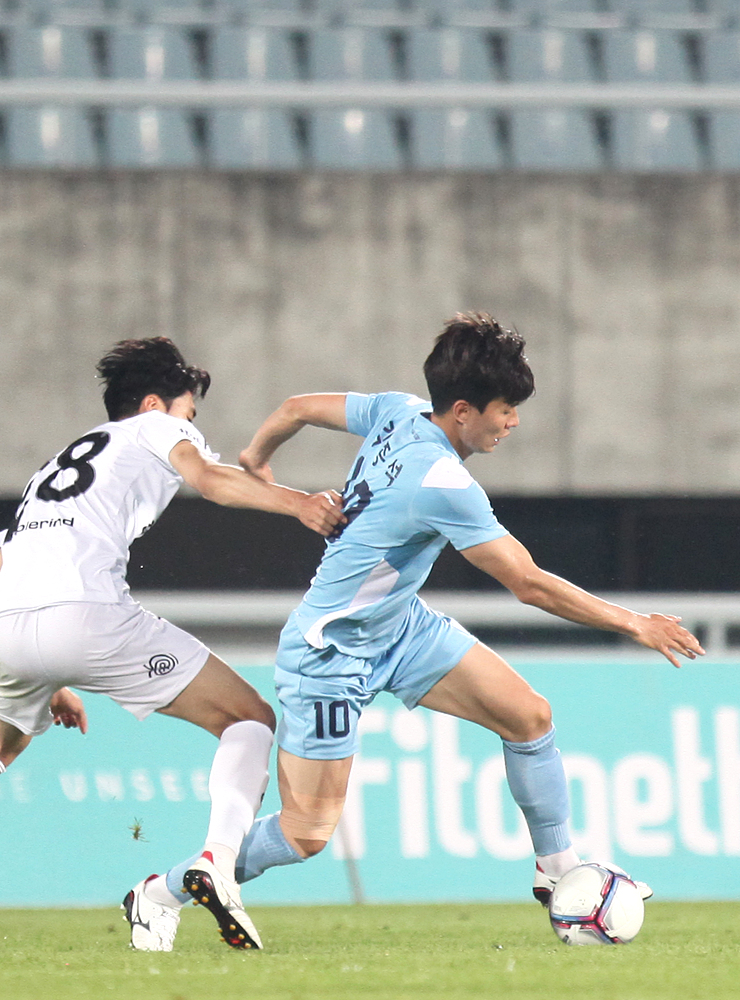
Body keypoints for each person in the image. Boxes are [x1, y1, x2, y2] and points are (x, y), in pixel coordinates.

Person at [210, 312, 702, 909]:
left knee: (529, 717)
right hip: (331, 648)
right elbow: (528, 583)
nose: (514, 422)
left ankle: (558, 869)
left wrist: (256, 457)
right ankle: (172, 888)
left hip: (398, 626)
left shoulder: (399, 410)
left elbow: (295, 409)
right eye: (506, 409)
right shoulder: (443, 481)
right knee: (304, 833)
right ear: (464, 410)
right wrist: (635, 623)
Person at [0, 337, 343, 954]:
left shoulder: (53, 470)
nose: (192, 428)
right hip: (90, 617)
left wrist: (50, 674)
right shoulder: (154, 427)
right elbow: (210, 480)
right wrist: (300, 503)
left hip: (10, 629)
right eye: (189, 413)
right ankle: (217, 862)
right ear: (153, 404)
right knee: (248, 718)